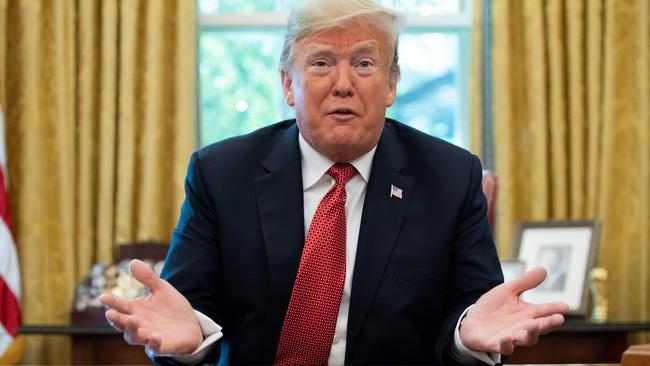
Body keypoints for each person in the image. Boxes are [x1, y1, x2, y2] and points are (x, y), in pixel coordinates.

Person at [100, 0, 568, 364]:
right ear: (288, 85)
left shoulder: (449, 176)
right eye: (321, 63)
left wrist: (467, 335)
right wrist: (189, 343)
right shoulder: (221, 175)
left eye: (364, 64)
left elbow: (470, 313)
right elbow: (188, 311)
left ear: (390, 85)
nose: (343, 83)